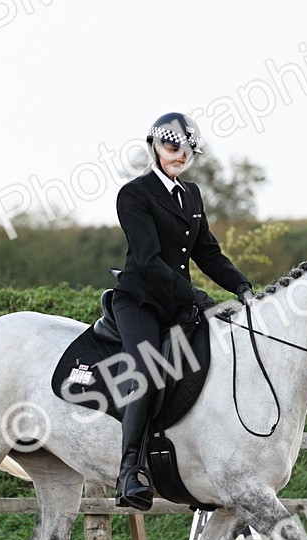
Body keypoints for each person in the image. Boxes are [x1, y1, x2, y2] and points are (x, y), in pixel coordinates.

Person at [112, 111, 254, 510]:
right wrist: (196, 297)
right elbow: (150, 260)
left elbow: (207, 253)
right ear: (154, 146)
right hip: (139, 302)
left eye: (187, 150)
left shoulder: (190, 195)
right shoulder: (134, 194)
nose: (180, 156)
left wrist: (240, 284)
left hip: (177, 303)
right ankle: (128, 472)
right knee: (148, 369)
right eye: (173, 147)